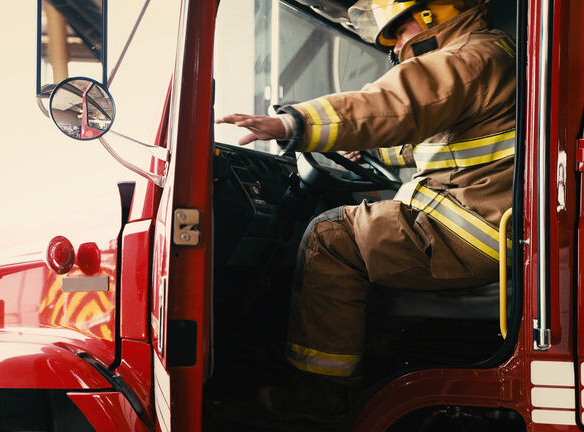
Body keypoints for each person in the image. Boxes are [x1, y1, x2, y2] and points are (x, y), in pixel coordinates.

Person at [217, 0, 515, 422]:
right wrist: (369, 147)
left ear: (429, 16)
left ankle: (316, 397)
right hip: (489, 221)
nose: (396, 44)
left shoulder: (466, 57)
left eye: (397, 30)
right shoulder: (495, 51)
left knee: (330, 237)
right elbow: (438, 140)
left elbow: (398, 103)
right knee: (356, 225)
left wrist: (293, 125)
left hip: (470, 230)